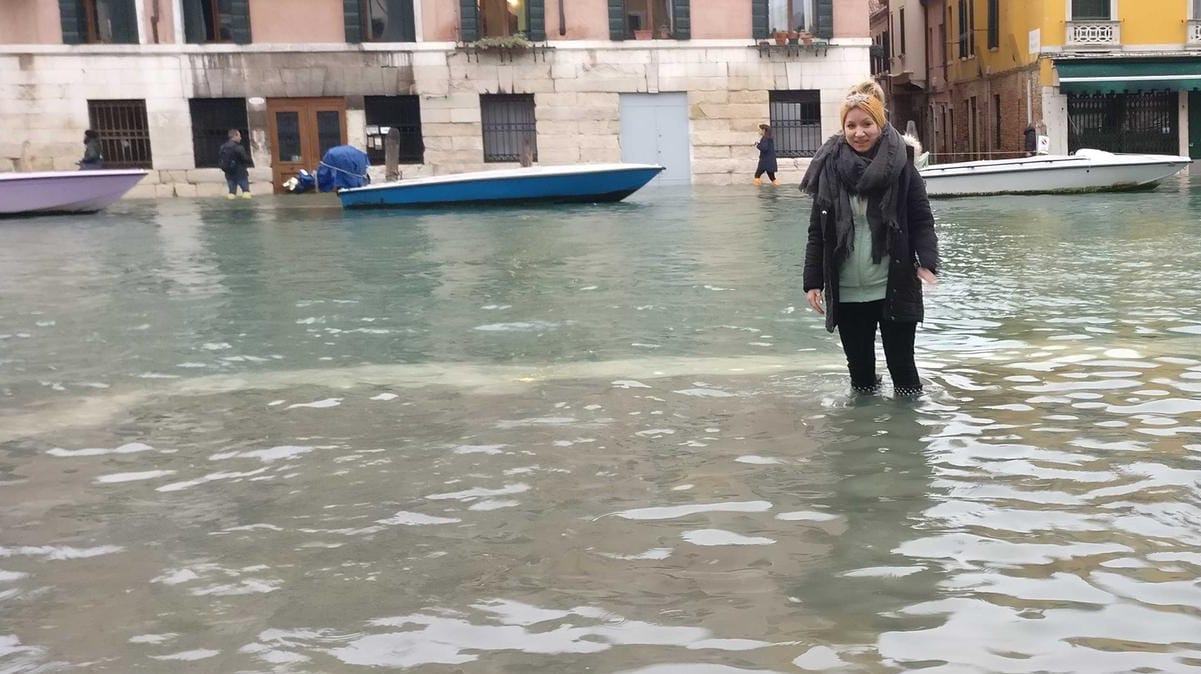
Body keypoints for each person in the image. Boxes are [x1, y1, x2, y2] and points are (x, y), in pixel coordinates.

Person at [800, 80, 938, 395]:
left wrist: (927, 261)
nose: (858, 132)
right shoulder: (829, 169)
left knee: (904, 376)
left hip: (893, 284)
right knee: (860, 379)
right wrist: (812, 282)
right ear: (842, 127)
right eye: (851, 125)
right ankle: (859, 439)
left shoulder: (902, 167)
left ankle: (908, 439)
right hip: (846, 290)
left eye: (867, 124)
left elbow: (921, 219)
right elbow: (816, 232)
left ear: (880, 124)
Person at [218, 129, 252, 199]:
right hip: (240, 172)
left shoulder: (223, 147)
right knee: (246, 191)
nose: (240, 138)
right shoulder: (239, 147)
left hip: (228, 173)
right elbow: (245, 158)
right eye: (239, 136)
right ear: (235, 136)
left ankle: (231, 204)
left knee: (231, 192)